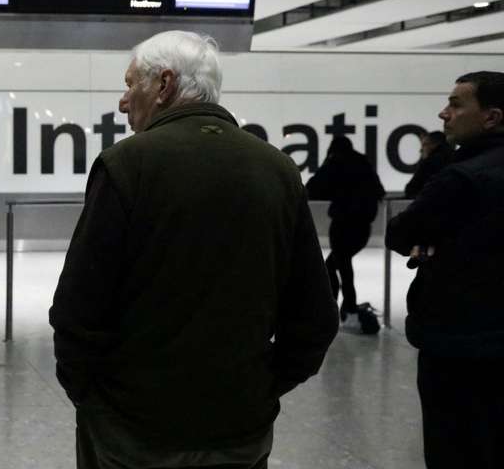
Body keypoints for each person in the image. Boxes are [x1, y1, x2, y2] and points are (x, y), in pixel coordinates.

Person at [50, 30, 338, 469]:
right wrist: (263, 388)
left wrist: (93, 397)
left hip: (133, 428)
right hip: (240, 427)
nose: (124, 101)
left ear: (164, 85)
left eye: (131, 84)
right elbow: (314, 316)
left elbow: (79, 306)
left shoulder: (127, 164)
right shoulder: (278, 169)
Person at [386, 71, 504, 469]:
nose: (444, 113)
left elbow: (401, 232)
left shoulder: (462, 177)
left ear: (491, 117)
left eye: (456, 104)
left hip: (460, 344)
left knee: (455, 448)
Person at [305, 135, 386, 326]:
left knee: (337, 267)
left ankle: (338, 308)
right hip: (362, 227)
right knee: (338, 265)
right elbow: (378, 190)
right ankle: (341, 307)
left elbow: (313, 187)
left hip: (342, 225)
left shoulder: (335, 163)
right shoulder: (363, 163)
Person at [404, 129, 454, 199]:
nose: (421, 150)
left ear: (433, 145)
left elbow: (411, 189)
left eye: (424, 145)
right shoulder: (458, 158)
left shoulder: (429, 163)